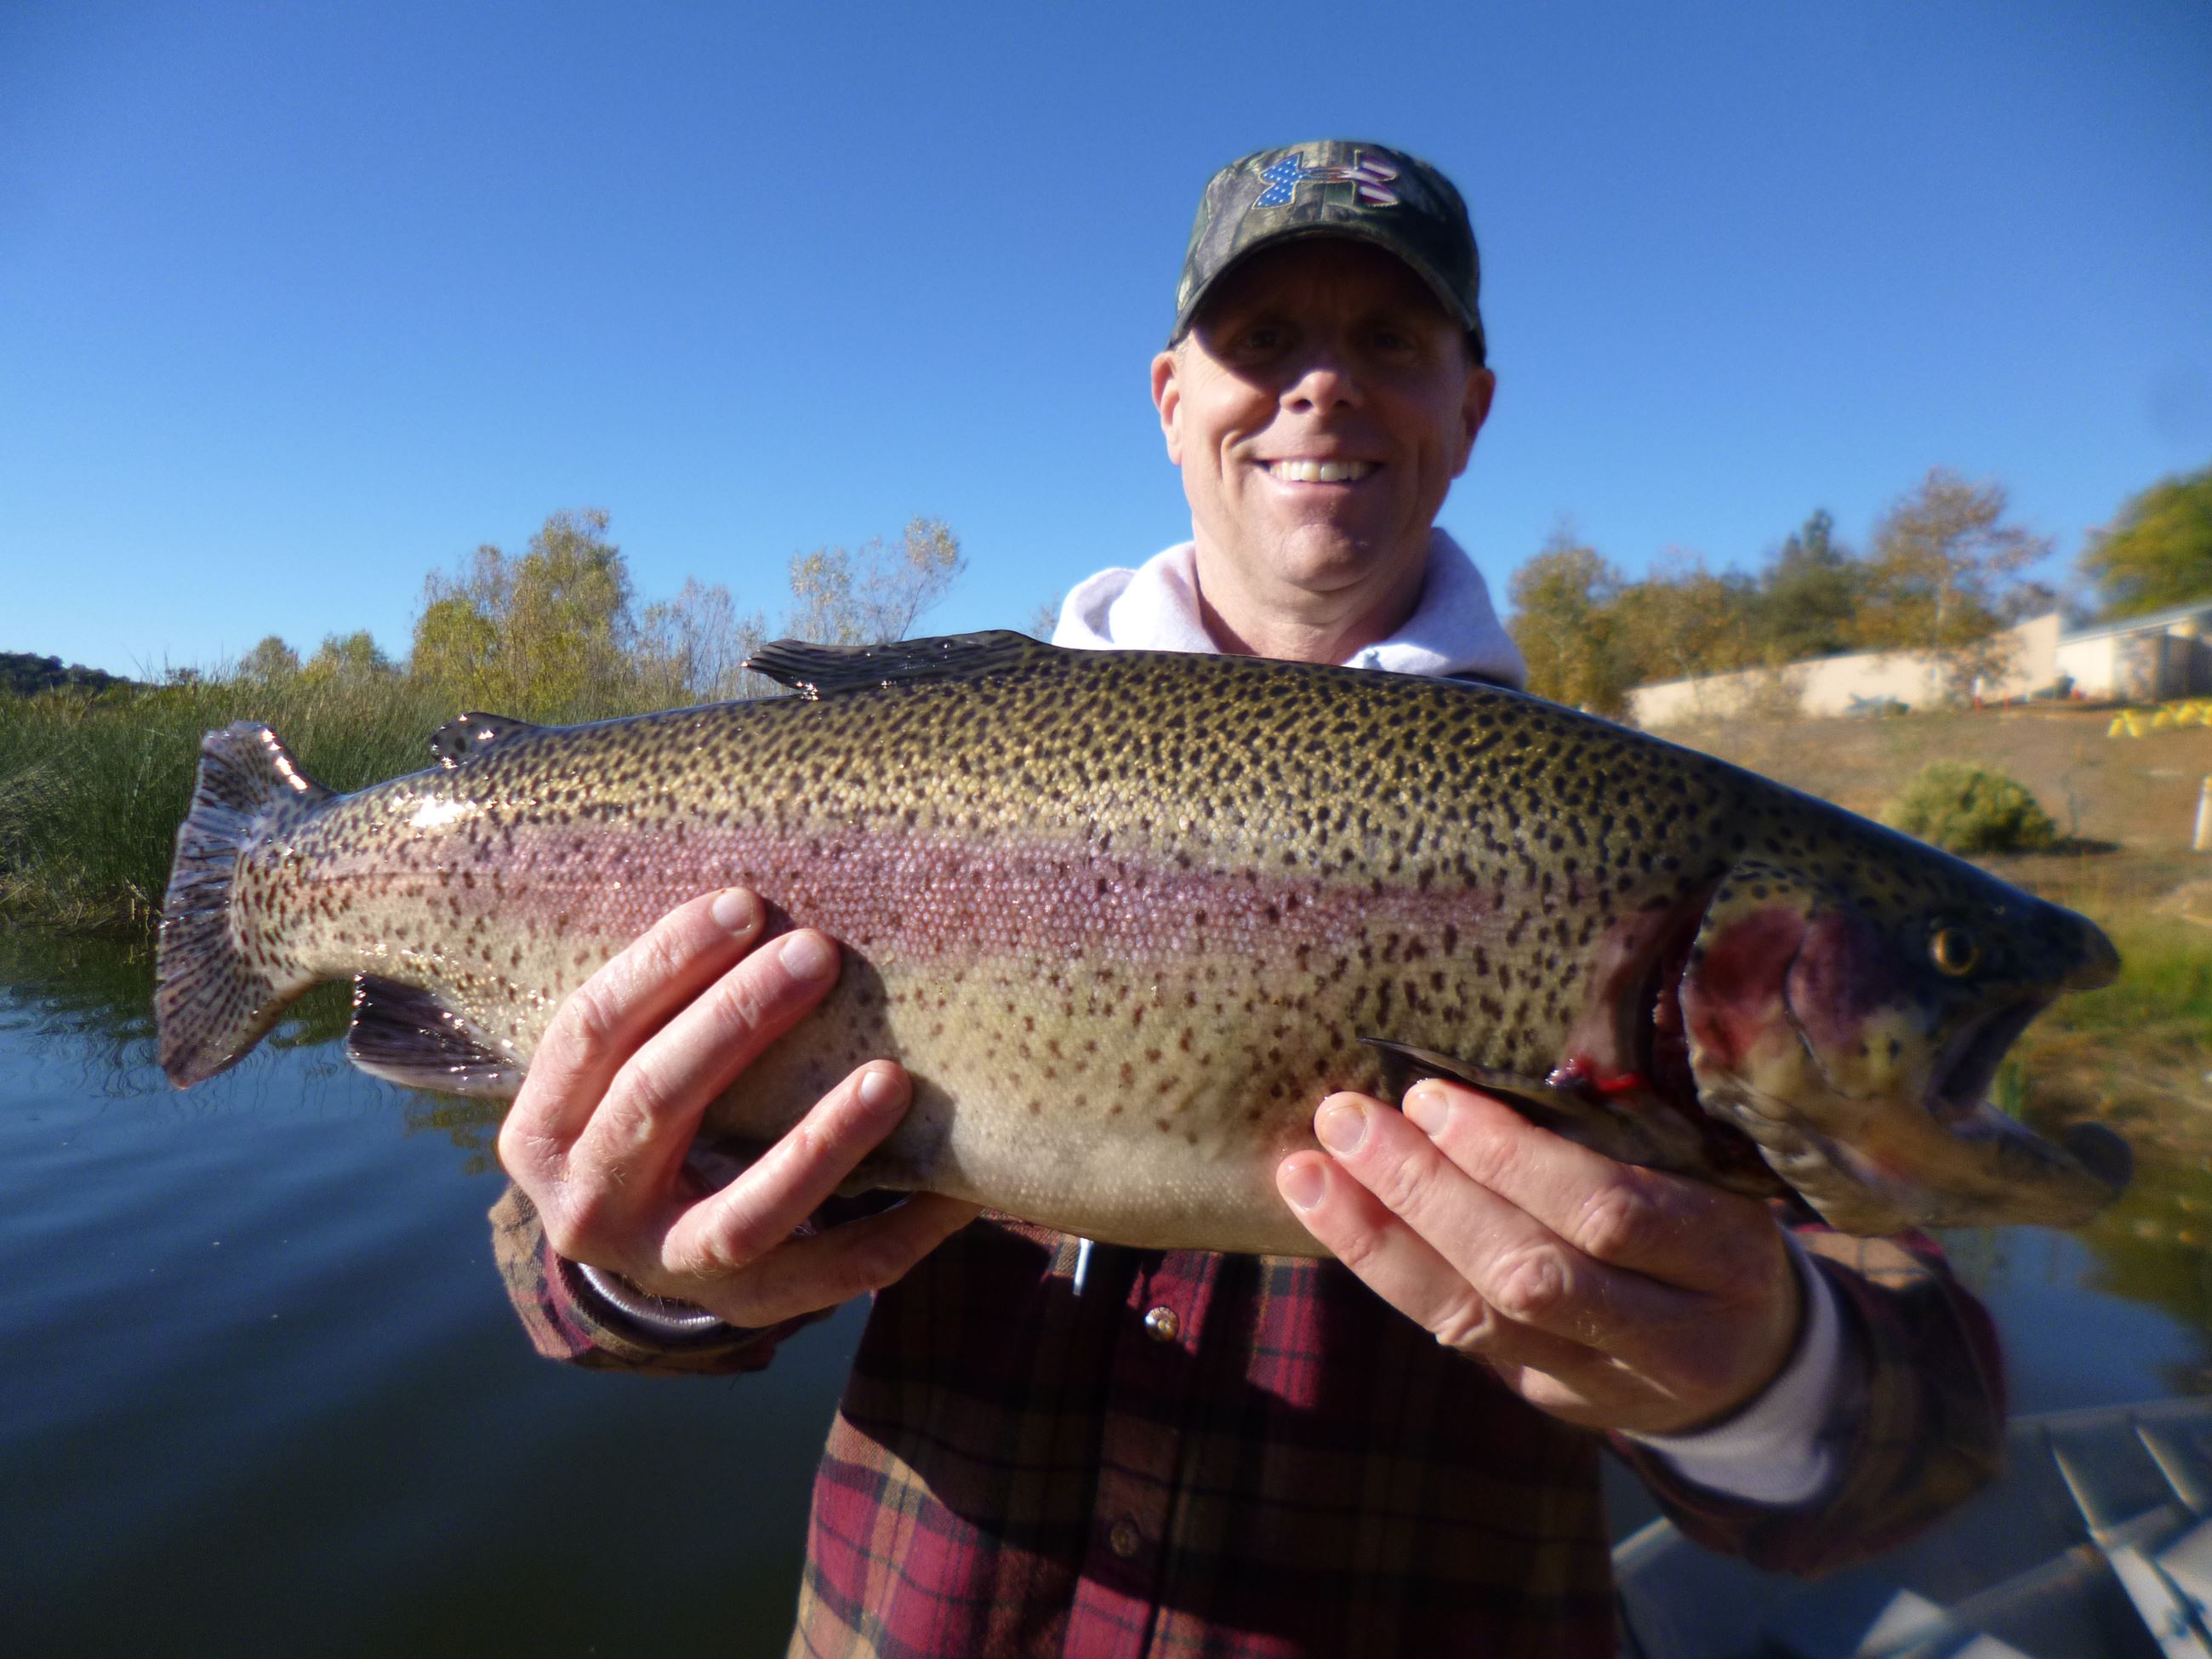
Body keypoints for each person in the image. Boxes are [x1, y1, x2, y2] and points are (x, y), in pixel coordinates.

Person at [489, 140, 2004, 1657]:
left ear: (1471, 409)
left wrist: (1762, 1372)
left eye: (1390, 341)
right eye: (1263, 339)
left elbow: (1921, 1440)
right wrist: (635, 1270)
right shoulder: (922, 774)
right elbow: (552, 1274)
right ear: (1171, 399)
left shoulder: (1641, 841)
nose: (1323, 387)